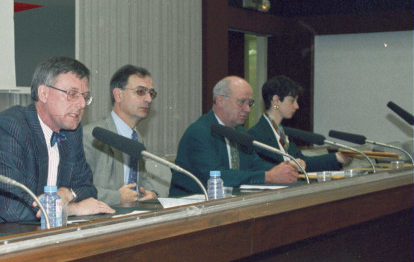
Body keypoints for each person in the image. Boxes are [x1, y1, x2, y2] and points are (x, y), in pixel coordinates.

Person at [0, 56, 114, 226]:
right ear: (43, 93)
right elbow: (13, 209)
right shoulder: (10, 127)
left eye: (85, 96)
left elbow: (88, 189)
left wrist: (67, 193)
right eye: (72, 94)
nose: (82, 104)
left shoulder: (72, 132)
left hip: (47, 233)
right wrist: (72, 209)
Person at [169, 76, 299, 196]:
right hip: (188, 207)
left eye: (250, 103)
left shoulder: (240, 133)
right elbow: (218, 177)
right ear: (220, 101)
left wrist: (285, 170)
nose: (248, 109)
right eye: (242, 102)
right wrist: (268, 176)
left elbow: (256, 165)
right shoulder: (200, 132)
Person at [83, 65, 165, 205]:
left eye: (151, 93)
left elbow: (141, 180)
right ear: (118, 95)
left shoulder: (136, 138)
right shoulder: (91, 136)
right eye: (141, 92)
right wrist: (117, 197)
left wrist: (151, 193)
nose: (149, 99)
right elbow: (80, 190)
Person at [248, 75, 351, 172]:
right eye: (292, 101)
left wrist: (337, 158)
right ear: (276, 101)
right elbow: (261, 169)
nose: (297, 106)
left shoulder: (281, 132)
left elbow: (303, 162)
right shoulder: (256, 135)